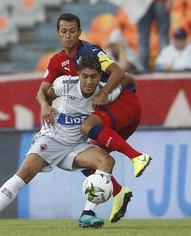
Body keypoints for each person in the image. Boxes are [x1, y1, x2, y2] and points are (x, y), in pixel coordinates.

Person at [0, 55, 122, 230]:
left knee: (107, 161)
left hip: (77, 146)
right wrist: (45, 106)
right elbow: (43, 93)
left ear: (100, 76)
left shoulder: (106, 93)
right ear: (78, 74)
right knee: (24, 173)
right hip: (51, 139)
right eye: (85, 76)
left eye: (93, 76)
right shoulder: (65, 84)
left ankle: (88, 214)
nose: (89, 81)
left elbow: (126, 81)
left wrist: (126, 85)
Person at [37, 13, 151, 224]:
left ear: (80, 32)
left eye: (72, 31)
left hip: (121, 103)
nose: (68, 35)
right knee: (87, 159)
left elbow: (119, 72)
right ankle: (110, 198)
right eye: (64, 31)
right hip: (109, 114)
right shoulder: (57, 61)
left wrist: (103, 93)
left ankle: (137, 156)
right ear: (58, 34)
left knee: (87, 126)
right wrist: (45, 105)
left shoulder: (91, 51)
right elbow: (42, 91)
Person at [137, 0, 174, 71]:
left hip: (145, 1)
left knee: (143, 37)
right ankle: (165, 65)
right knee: (163, 36)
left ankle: (143, 68)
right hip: (157, 0)